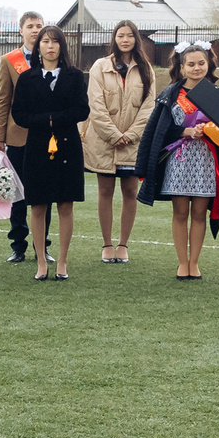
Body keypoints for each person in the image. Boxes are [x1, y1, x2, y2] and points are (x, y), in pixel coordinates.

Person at [137, 41, 219, 280]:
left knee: (200, 213)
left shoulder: (217, 95)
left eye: (201, 63)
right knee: (180, 211)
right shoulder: (170, 94)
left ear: (209, 64)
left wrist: (212, 130)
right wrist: (185, 132)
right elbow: (160, 130)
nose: (196, 68)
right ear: (181, 67)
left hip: (207, 160)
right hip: (179, 160)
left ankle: (195, 263)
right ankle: (182, 262)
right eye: (191, 64)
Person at [11, 25, 90, 280]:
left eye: (55, 42)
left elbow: (82, 110)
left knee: (66, 205)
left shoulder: (75, 76)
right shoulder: (27, 78)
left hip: (68, 148)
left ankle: (63, 261)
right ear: (38, 47)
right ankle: (41, 261)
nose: (50, 46)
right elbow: (19, 114)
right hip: (36, 148)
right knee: (37, 206)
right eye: (45, 41)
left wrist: (56, 119)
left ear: (62, 46)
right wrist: (47, 121)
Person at [83, 19, 153, 263]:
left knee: (130, 191)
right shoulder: (100, 66)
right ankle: (107, 244)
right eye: (121, 35)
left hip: (133, 143)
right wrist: (114, 135)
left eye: (130, 35)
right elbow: (96, 105)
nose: (125, 40)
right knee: (105, 191)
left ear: (136, 39)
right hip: (104, 142)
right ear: (114, 38)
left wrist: (131, 135)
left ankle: (123, 244)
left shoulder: (145, 69)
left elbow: (148, 108)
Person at [0, 11, 42, 262]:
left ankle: (41, 245)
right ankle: (18, 245)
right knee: (17, 195)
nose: (35, 30)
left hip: (46, 136)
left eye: (39, 26)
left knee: (43, 193)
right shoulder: (10, 60)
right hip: (17, 136)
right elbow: (4, 101)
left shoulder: (52, 57)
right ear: (21, 31)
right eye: (30, 26)